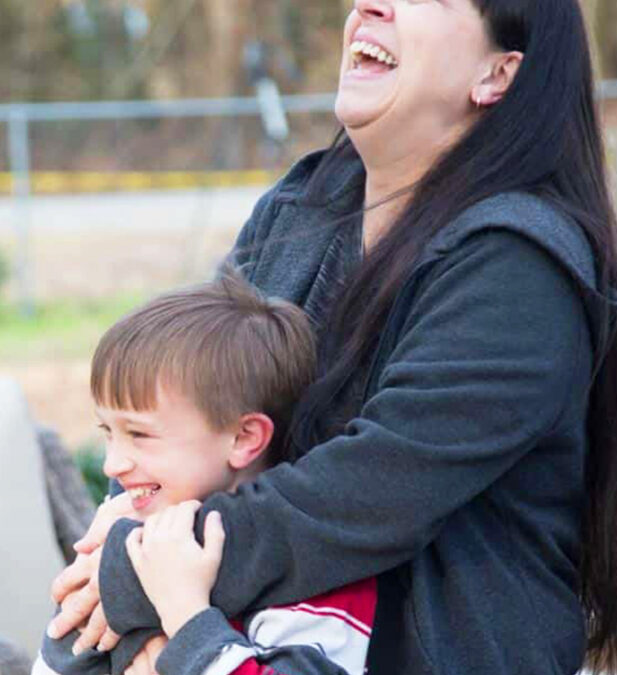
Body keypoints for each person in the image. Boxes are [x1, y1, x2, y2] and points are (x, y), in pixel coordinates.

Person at [50, 0, 617, 672]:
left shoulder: (518, 266)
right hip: (232, 635)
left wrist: (138, 570)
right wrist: (128, 530)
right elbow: (182, 398)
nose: (369, 4)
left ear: (497, 73)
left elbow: (369, 493)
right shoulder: (302, 205)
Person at [34, 274, 377, 675]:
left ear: (244, 438)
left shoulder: (317, 577)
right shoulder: (128, 539)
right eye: (108, 433)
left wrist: (185, 617)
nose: (113, 465)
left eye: (140, 434)